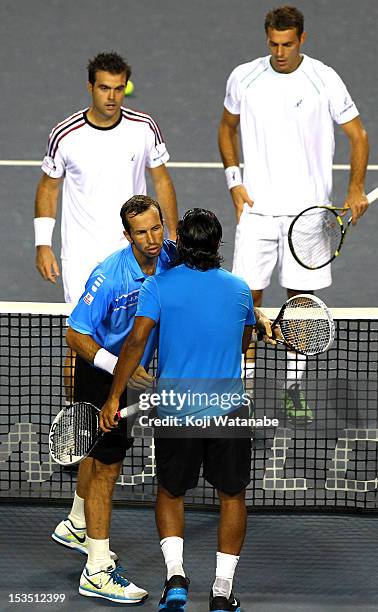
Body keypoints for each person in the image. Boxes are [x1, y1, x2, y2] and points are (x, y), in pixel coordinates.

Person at [100, 209, 273, 611]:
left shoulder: (157, 286)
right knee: (231, 496)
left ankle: (175, 579)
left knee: (170, 491)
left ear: (183, 243)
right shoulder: (240, 289)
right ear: (216, 245)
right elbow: (244, 342)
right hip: (228, 411)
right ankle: (222, 591)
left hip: (176, 410)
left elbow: (135, 344)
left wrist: (113, 397)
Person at [218, 5, 369, 421]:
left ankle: (293, 389)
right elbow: (226, 127)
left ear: (302, 39)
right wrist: (235, 182)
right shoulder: (245, 77)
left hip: (308, 213)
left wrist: (354, 187)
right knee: (245, 301)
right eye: (273, 43)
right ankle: (243, 389)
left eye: (287, 44)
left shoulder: (325, 79)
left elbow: (358, 137)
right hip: (258, 211)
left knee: (302, 303)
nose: (279, 51)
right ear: (267, 39)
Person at [52, 195, 176, 604]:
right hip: (101, 372)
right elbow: (75, 334)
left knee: (98, 456)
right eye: (141, 232)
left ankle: (75, 523)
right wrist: (115, 372)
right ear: (127, 235)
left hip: (133, 372)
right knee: (107, 467)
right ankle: (97, 569)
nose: (152, 238)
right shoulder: (109, 275)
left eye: (156, 228)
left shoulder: (172, 258)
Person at [34, 51, 178, 401]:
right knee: (80, 340)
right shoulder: (65, 135)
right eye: (104, 88)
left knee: (143, 333)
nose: (111, 97)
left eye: (118, 88)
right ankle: (76, 417)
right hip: (83, 258)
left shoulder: (144, 128)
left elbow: (162, 182)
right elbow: (49, 186)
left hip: (137, 253)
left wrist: (171, 238)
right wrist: (43, 243)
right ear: (90, 87)